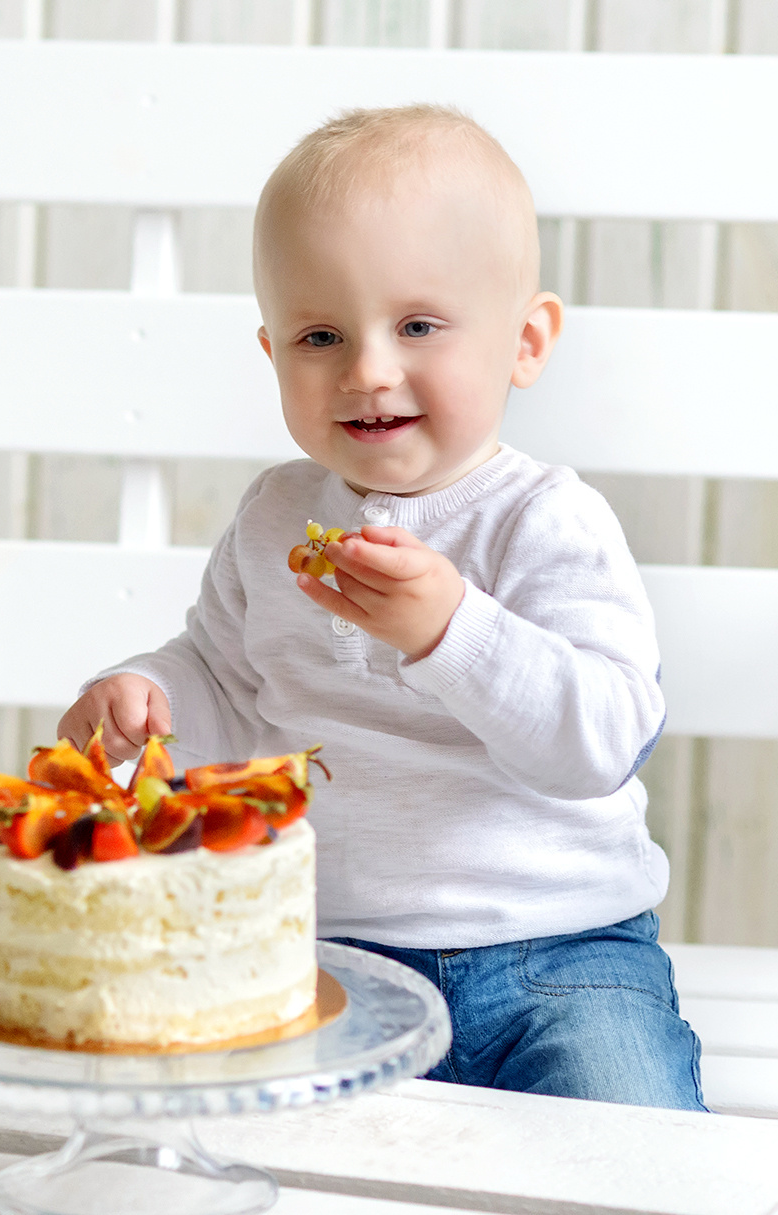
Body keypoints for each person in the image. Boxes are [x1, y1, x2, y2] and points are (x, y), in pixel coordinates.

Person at [58, 104, 703, 1110]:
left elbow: (604, 740)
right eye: (320, 335)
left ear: (526, 340)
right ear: (272, 355)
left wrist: (453, 631)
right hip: (324, 961)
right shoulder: (276, 518)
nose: (366, 371)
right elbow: (225, 677)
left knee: (630, 1148)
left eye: (417, 326)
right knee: (217, 1134)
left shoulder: (543, 521)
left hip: (558, 960)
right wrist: (147, 694)